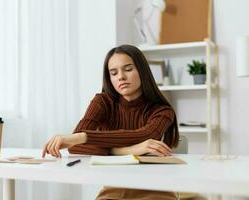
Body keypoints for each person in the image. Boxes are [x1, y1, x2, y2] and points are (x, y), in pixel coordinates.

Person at [42, 44, 179, 200]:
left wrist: (83, 137)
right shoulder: (102, 102)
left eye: (128, 69)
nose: (121, 77)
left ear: (143, 71)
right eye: (113, 73)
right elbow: (76, 148)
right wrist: (125, 151)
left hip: (156, 189)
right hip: (114, 189)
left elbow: (144, 135)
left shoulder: (162, 111)